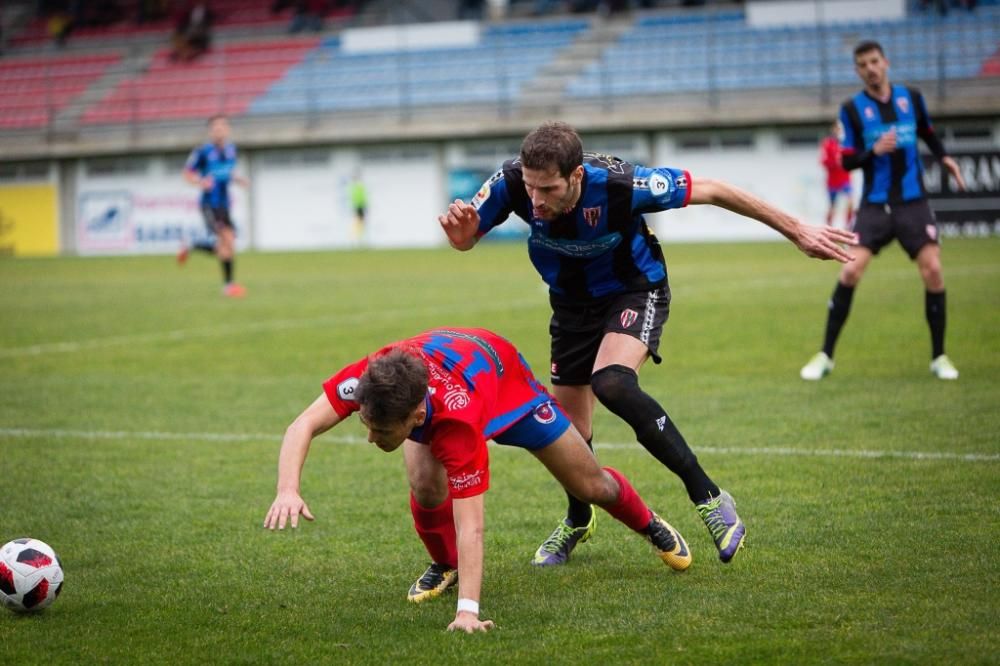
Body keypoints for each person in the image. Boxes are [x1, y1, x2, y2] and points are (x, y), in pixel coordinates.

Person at [438, 121, 856, 568]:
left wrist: (796, 230)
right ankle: (578, 518)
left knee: (613, 383)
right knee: (569, 435)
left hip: (634, 289)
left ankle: (710, 497)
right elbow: (466, 238)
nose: (536, 201)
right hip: (571, 307)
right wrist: (462, 239)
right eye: (531, 187)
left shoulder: (621, 185)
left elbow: (712, 188)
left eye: (549, 189)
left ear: (576, 177)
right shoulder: (512, 181)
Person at [263, 327, 692, 633]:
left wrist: (469, 611)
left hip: (507, 387)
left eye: (383, 433)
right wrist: (288, 488)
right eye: (367, 426)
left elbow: (473, 524)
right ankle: (444, 565)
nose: (372, 439)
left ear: (414, 417)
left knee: (591, 485)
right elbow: (302, 425)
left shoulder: (457, 424)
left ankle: (647, 522)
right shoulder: (369, 380)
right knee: (425, 485)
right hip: (451, 371)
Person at [799, 41, 967, 382]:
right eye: (863, 65)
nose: (870, 68)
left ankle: (939, 357)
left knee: (933, 270)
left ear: (886, 62)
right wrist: (872, 150)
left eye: (874, 61)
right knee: (849, 272)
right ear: (858, 71)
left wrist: (945, 156)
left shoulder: (912, 98)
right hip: (875, 206)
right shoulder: (851, 109)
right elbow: (846, 159)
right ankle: (825, 355)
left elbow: (928, 133)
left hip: (913, 202)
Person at [178, 115, 249, 298]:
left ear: (228, 129)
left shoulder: (232, 150)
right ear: (210, 131)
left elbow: (227, 172)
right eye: (216, 127)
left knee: (227, 245)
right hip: (209, 204)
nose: (219, 130)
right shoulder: (202, 152)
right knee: (226, 240)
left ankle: (192, 245)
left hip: (225, 204)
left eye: (223, 126)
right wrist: (200, 181)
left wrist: (238, 179)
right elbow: (187, 174)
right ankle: (228, 286)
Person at [820, 120, 854, 228]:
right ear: (833, 129)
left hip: (845, 179)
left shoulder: (846, 143)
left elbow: (852, 158)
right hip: (833, 181)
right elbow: (823, 161)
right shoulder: (827, 143)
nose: (838, 131)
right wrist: (835, 163)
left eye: (840, 129)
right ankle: (828, 228)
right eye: (837, 128)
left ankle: (848, 227)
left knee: (850, 202)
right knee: (832, 206)